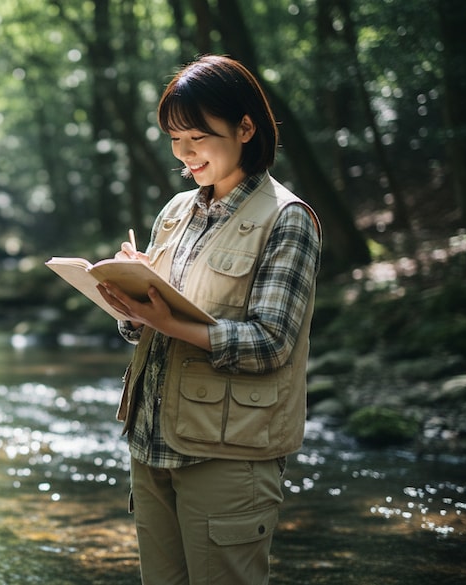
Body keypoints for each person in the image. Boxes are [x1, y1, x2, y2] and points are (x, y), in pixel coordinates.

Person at [97, 55, 321, 585]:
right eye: (175, 139)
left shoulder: (287, 219)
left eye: (197, 137)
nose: (184, 153)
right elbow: (144, 327)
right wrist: (128, 302)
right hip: (150, 442)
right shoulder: (176, 211)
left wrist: (170, 323)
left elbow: (270, 344)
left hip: (228, 456)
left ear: (246, 128)